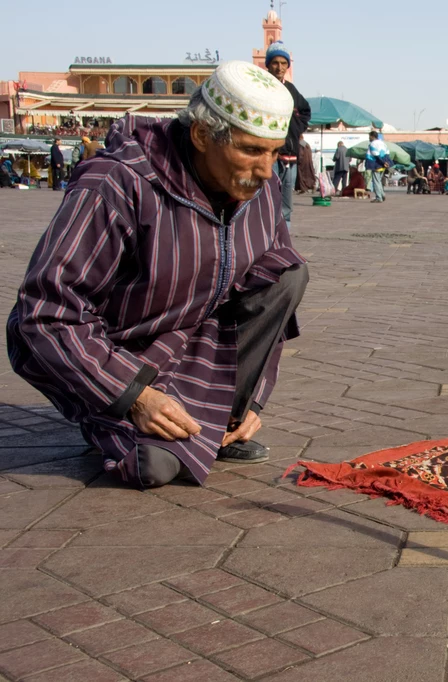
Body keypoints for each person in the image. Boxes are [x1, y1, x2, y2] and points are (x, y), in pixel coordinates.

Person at [6, 61, 308, 488]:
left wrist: (254, 398)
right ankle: (107, 413)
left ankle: (223, 419)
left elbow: (272, 289)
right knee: (154, 466)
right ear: (202, 135)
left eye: (275, 153)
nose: (266, 170)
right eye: (251, 150)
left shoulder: (260, 188)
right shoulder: (118, 182)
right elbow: (46, 314)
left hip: (191, 332)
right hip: (118, 348)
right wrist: (132, 396)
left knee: (287, 274)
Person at [265, 41, 311, 229]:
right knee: (269, 194)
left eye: (283, 64)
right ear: (268, 65)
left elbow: (305, 112)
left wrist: (293, 131)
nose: (279, 67)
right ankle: (268, 235)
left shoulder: (291, 90)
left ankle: (284, 238)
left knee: (286, 199)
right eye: (275, 63)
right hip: (268, 152)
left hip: (289, 154)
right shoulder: (261, 87)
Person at [365, 131, 390, 202]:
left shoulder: (372, 144)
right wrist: (386, 162)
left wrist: (382, 162)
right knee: (378, 181)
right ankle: (382, 194)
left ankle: (379, 197)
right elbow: (387, 153)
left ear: (372, 136)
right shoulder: (383, 143)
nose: (369, 138)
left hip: (376, 164)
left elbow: (375, 154)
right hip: (383, 165)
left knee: (376, 181)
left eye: (369, 136)